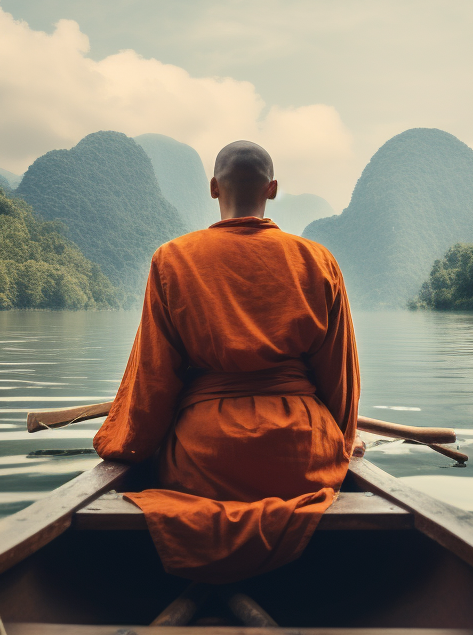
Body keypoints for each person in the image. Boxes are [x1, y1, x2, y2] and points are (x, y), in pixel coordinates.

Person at [93, 140, 360, 583]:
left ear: (213, 187)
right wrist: (341, 444)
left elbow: (153, 378)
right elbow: (340, 378)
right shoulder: (318, 261)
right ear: (272, 189)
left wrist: (126, 444)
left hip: (205, 459)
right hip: (302, 455)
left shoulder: (172, 259)